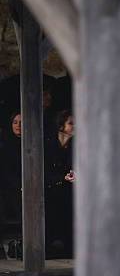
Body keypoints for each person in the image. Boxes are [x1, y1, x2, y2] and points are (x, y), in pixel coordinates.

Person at [44, 110, 76, 258]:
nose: (75, 126)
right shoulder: (49, 145)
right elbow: (44, 171)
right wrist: (62, 177)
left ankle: (71, 248)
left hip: (69, 188)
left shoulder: (75, 145)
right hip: (50, 187)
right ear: (61, 126)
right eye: (71, 123)